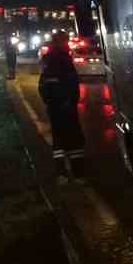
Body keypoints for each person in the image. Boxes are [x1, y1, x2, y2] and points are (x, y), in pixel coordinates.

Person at [37, 31, 85, 178]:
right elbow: (70, 83)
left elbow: (43, 85)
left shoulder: (48, 60)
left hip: (54, 106)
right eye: (66, 41)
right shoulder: (62, 58)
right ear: (62, 42)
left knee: (58, 138)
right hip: (66, 105)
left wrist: (49, 102)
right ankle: (78, 172)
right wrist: (70, 101)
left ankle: (61, 172)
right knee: (74, 138)